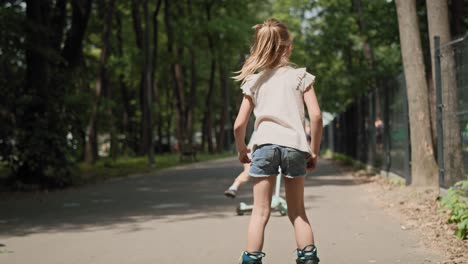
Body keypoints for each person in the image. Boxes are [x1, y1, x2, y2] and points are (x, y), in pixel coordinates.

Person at [232, 18, 323, 264]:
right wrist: (313, 151)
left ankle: (251, 259)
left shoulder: (254, 81)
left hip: (263, 147)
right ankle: (308, 258)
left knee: (260, 212)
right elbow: (316, 116)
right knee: (298, 212)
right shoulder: (301, 77)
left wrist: (242, 150)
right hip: (295, 147)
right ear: (288, 47)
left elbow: (239, 124)